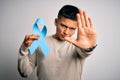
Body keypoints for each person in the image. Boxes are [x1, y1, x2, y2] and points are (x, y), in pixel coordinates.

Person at [18, 5, 97, 80]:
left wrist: (88, 47)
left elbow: (85, 52)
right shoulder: (40, 42)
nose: (66, 32)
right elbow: (25, 72)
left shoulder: (78, 46)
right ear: (56, 22)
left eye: (72, 28)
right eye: (63, 26)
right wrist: (24, 48)